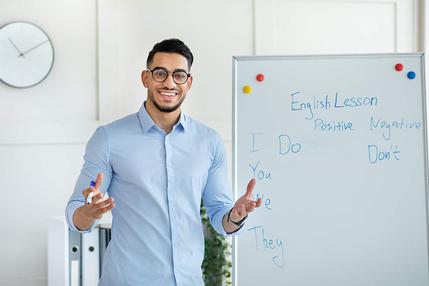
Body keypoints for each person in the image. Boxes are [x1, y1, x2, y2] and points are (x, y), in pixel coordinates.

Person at [65, 38, 262, 286]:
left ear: (188, 83)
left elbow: (220, 217)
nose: (169, 83)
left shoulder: (208, 142)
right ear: (145, 78)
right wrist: (89, 212)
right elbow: (74, 212)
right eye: (160, 73)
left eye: (179, 75)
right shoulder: (108, 139)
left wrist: (235, 215)